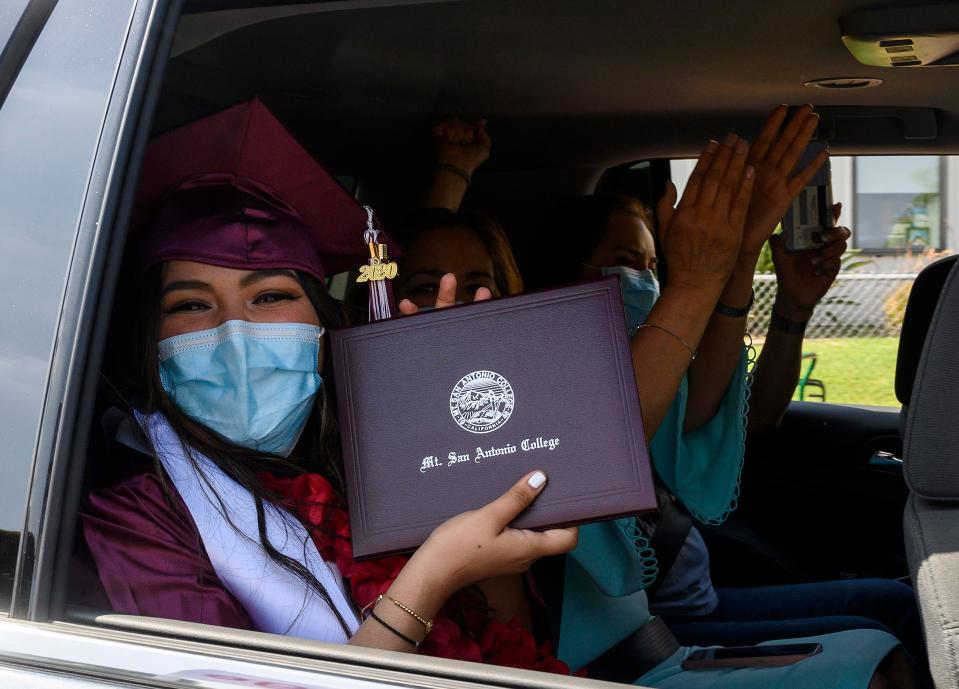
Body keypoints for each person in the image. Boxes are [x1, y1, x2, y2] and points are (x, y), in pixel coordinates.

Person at [393, 114, 915, 687]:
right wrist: (702, 278)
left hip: (653, 643)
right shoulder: (440, 424)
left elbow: (706, 410)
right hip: (606, 661)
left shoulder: (552, 375)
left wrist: (741, 265)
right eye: (426, 287)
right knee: (882, 644)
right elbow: (606, 438)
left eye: (479, 283)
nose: (459, 302)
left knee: (881, 638)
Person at [80, 98, 578, 657]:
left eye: (270, 296)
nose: (234, 334)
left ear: (326, 326)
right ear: (153, 342)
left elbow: (507, 644)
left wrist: (461, 432)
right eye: (193, 306)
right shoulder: (139, 512)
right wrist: (434, 573)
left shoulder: (363, 453)